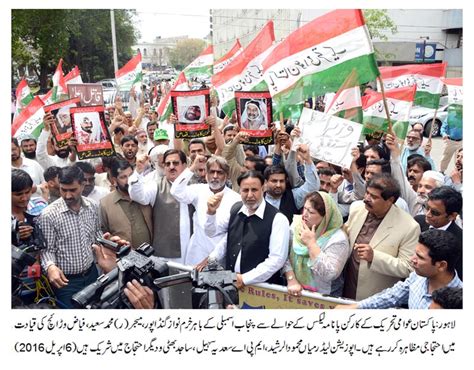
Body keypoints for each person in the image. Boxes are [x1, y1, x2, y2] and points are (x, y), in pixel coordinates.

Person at [203, 171, 290, 289]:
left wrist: (244, 279)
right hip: (231, 285)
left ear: (263, 188)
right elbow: (212, 232)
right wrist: (211, 213)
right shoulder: (236, 209)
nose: (249, 195)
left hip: (262, 290)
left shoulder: (278, 219)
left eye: (254, 190)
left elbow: (277, 260)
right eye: (245, 190)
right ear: (239, 190)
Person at [337, 230, 462, 309]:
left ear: (441, 265)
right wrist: (356, 307)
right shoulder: (417, 277)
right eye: (414, 253)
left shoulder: (460, 303)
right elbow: (392, 296)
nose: (412, 259)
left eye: (420, 257)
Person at [343, 173, 420, 301]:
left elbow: (408, 267)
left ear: (390, 200)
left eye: (373, 196)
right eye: (367, 193)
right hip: (346, 285)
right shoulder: (357, 208)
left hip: (374, 296)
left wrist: (374, 257)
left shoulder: (409, 227)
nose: (366, 198)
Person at [38, 166, 101, 308]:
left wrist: (107, 243)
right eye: (63, 190)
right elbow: (47, 250)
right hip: (66, 283)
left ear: (83, 184)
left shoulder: (93, 206)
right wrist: (51, 267)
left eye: (72, 190)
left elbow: (97, 234)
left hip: (92, 275)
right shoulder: (49, 215)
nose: (67, 195)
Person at [170, 155, 241, 265]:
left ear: (227, 176)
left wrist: (213, 257)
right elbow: (175, 191)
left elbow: (231, 234)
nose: (215, 176)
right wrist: (193, 167)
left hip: (220, 255)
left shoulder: (236, 199)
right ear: (206, 174)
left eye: (220, 172)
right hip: (196, 252)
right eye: (212, 172)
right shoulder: (199, 190)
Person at [283, 191, 350, 297]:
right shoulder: (296, 225)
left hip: (324, 296)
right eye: (304, 208)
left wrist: (311, 244)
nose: (304, 215)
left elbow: (329, 274)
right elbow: (284, 255)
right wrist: (291, 279)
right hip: (294, 289)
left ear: (325, 217)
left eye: (311, 212)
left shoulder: (338, 239)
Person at [100, 160, 153, 248]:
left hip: (152, 254)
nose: (129, 180)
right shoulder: (105, 204)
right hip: (125, 258)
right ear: (114, 180)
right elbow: (104, 234)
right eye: (123, 177)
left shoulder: (145, 194)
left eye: (131, 175)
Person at [414, 186, 462, 280]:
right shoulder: (418, 222)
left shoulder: (461, 241)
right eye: (427, 208)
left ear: (452, 216)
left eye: (435, 212)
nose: (428, 214)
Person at [263, 144, 320, 224]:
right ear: (265, 182)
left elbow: (313, 186)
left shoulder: (294, 196)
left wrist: (307, 160)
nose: (278, 185)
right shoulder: (258, 198)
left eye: (281, 181)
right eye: (274, 181)